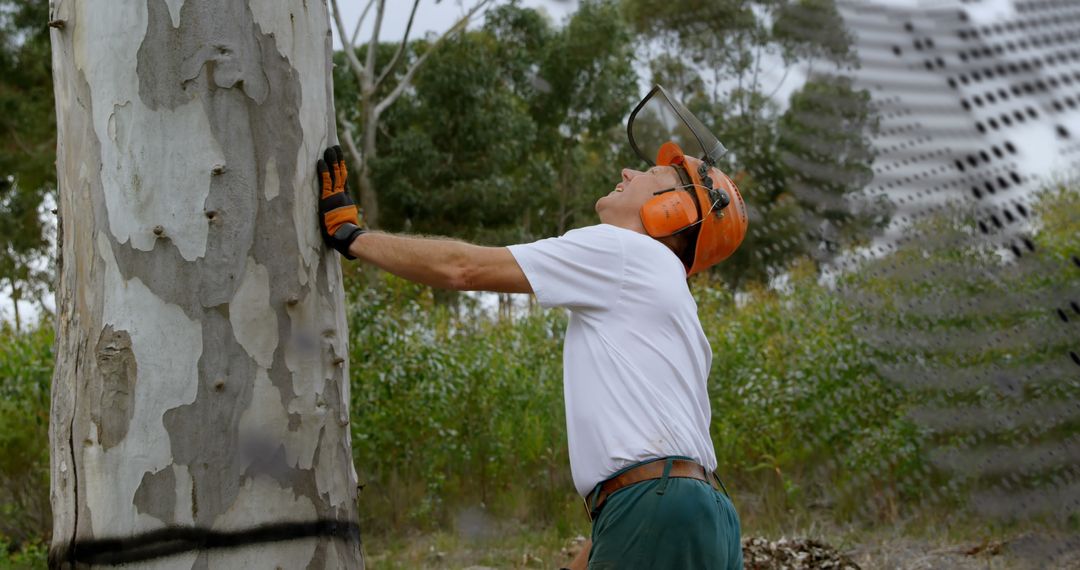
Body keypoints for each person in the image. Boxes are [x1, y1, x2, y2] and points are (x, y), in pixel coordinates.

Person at [316, 86, 749, 569]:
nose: (628, 172)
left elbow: (462, 269)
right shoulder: (673, 304)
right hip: (710, 516)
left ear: (675, 209)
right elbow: (661, 461)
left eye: (649, 174)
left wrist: (352, 236)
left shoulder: (624, 251)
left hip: (657, 508)